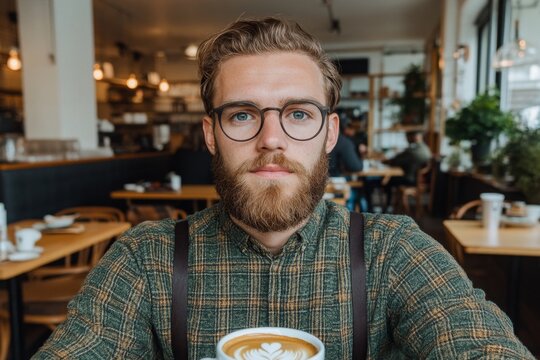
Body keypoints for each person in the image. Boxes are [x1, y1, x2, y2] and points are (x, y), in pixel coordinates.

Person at [34, 17, 533, 359]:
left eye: (298, 114)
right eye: (242, 114)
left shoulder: (393, 253)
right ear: (211, 135)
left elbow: (479, 343)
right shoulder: (146, 259)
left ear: (330, 133)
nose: (270, 139)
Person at [381, 130, 432, 210]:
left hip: (411, 179)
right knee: (392, 179)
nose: (407, 139)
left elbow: (396, 161)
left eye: (408, 137)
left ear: (415, 137)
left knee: (389, 182)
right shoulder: (426, 149)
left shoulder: (413, 150)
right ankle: (394, 206)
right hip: (420, 180)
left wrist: (385, 161)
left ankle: (388, 207)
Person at [328, 116, 365, 211]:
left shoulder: (314, 140)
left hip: (314, 186)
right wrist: (361, 155)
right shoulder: (344, 142)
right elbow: (356, 167)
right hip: (335, 185)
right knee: (358, 192)